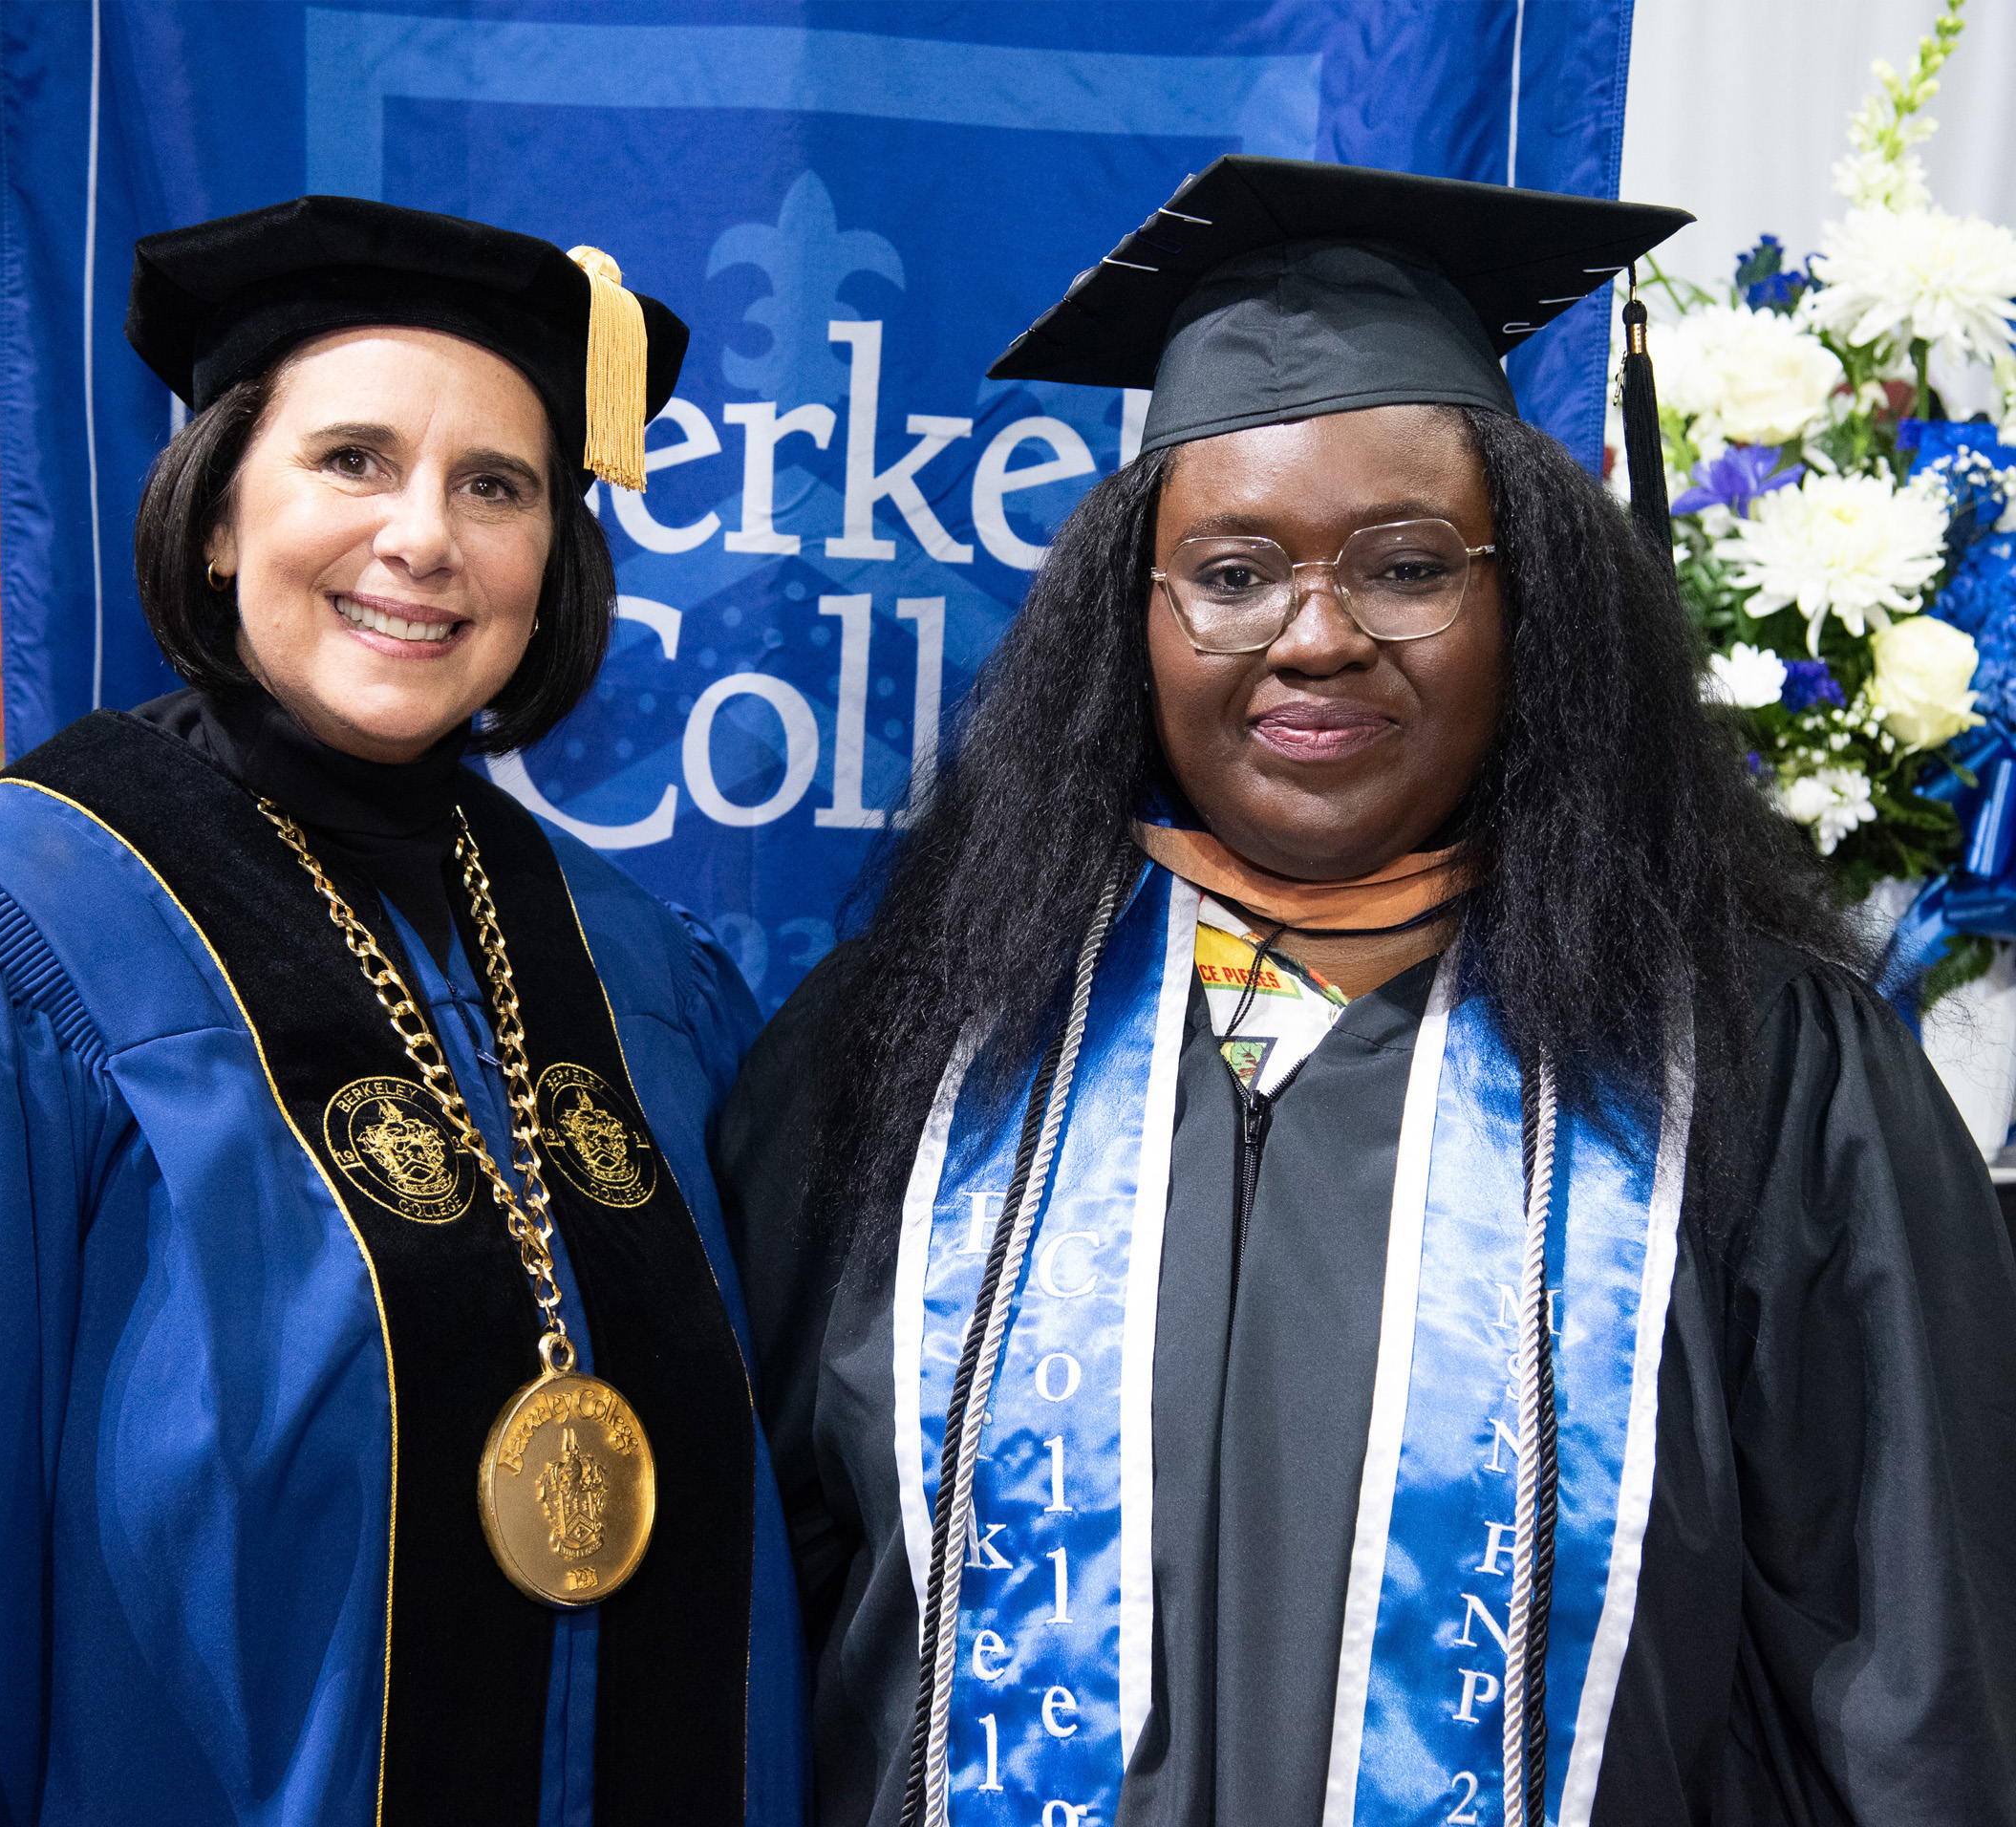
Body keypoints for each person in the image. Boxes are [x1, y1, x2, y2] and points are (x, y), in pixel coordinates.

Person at [0, 195, 804, 1825]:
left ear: (556, 558)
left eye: (498, 486)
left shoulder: (633, 972)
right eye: (354, 460)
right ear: (221, 514)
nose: (424, 538)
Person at [718, 156, 2016, 1827]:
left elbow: (1918, 1697)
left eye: (1406, 566)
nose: (1314, 637)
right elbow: (756, 1636)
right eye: (1234, 571)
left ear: (1531, 604)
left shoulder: (1756, 1073)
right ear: (1132, 620)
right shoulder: (915, 1057)